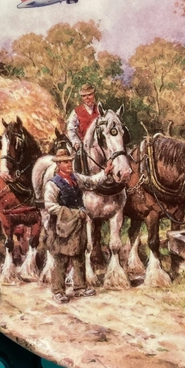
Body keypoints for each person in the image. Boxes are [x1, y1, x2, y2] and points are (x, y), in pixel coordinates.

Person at [44, 145, 114, 303]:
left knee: (79, 254)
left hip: (78, 224)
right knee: (61, 257)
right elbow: (50, 206)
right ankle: (58, 291)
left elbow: (91, 181)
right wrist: (74, 213)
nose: (69, 164)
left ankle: (80, 288)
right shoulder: (53, 184)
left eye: (70, 161)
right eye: (65, 162)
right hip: (62, 225)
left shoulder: (75, 178)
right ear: (58, 165)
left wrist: (106, 172)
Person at [66, 83, 99, 150]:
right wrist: (76, 142)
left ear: (94, 94)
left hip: (100, 146)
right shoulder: (76, 111)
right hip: (83, 146)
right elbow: (70, 129)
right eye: (84, 96)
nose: (87, 98)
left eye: (89, 95)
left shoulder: (100, 110)